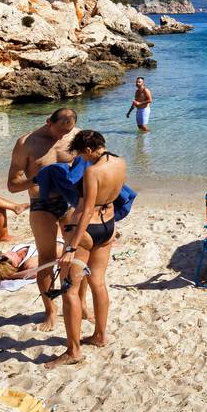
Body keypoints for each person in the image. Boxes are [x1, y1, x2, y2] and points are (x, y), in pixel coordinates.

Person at [47, 130, 126, 368]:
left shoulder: (93, 172)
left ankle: (73, 352)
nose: (83, 160)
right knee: (98, 283)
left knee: (70, 291)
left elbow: (88, 209)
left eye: (82, 154)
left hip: (86, 231)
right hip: (108, 226)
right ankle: (100, 335)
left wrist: (71, 246)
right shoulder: (120, 162)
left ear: (90, 150)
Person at [8, 108, 80, 330]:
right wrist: (38, 179)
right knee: (47, 259)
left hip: (70, 203)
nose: (61, 137)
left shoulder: (77, 137)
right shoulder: (27, 143)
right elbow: (12, 185)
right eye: (59, 132)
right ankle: (50, 310)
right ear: (48, 121)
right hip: (41, 205)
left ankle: (79, 304)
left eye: (66, 132)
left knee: (75, 257)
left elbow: (93, 167)